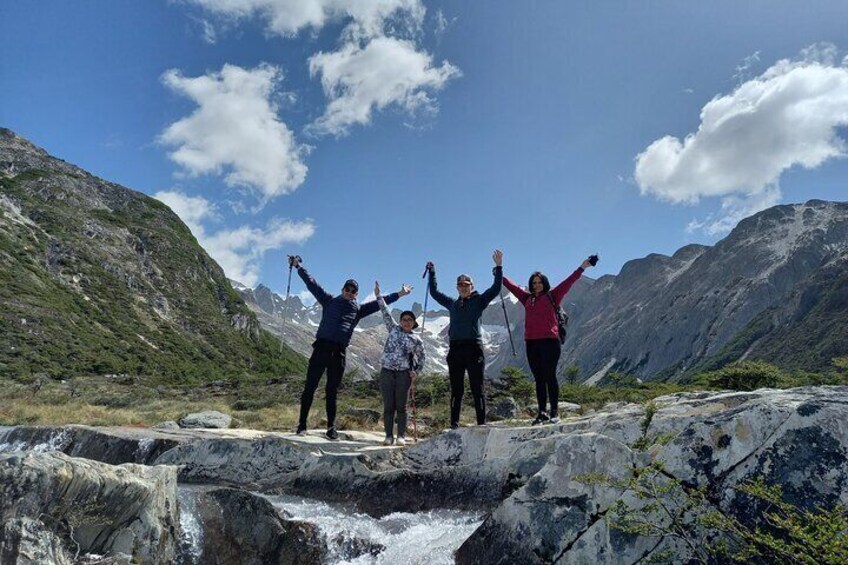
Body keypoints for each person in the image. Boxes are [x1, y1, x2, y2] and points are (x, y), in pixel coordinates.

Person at [291, 255, 411, 439]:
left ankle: (331, 428)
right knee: (310, 386)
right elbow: (311, 284)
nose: (350, 292)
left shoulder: (359, 310)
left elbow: (381, 303)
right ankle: (302, 425)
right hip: (321, 347)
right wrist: (299, 266)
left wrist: (400, 294)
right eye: (347, 289)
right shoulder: (329, 300)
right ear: (342, 290)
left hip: (339, 352)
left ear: (356, 294)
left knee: (332, 390)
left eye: (353, 290)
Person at [503, 256, 595, 425]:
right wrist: (499, 269)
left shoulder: (553, 295)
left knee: (550, 376)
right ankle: (542, 412)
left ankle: (554, 412)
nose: (536, 285)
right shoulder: (526, 299)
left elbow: (569, 281)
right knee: (538, 378)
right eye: (534, 282)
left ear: (544, 283)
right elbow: (511, 286)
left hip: (550, 342)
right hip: (531, 343)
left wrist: (583, 266)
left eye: (539, 282)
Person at [426, 250, 503, 429]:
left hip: (474, 348)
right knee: (456, 389)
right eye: (460, 285)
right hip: (455, 349)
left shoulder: (479, 301)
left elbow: (496, 289)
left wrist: (498, 267)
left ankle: (481, 424)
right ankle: (454, 424)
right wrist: (432, 273)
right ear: (457, 287)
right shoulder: (452, 304)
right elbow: (435, 292)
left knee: (478, 388)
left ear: (472, 286)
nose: (463, 287)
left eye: (466, 285)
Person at [374, 281, 425, 446]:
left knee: (401, 407)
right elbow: (385, 312)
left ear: (413, 322)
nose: (406, 322)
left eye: (409, 320)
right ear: (400, 321)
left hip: (404, 374)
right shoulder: (393, 329)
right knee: (389, 406)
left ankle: (401, 436)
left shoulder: (416, 339)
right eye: (404, 319)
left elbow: (422, 356)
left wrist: (416, 371)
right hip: (387, 372)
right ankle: (389, 436)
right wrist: (378, 295)